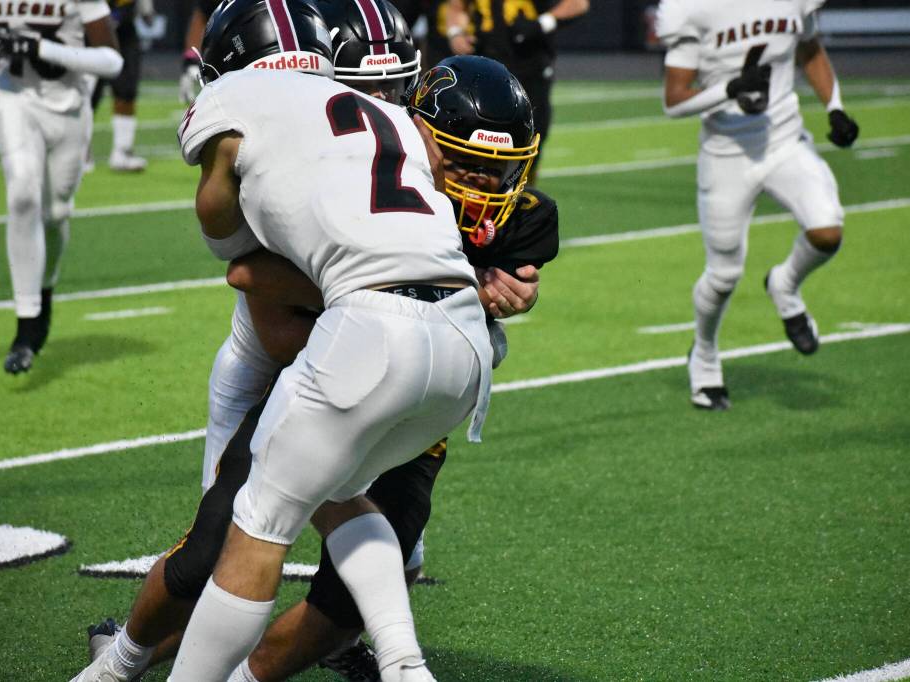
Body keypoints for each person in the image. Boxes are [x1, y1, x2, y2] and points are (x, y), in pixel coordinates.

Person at [69, 54, 556, 682]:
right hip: (437, 358)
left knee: (263, 528)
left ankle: (131, 671)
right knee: (274, 524)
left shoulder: (275, 116)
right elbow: (250, 282)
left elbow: (218, 222)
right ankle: (402, 665)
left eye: (497, 171)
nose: (483, 186)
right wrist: (464, 283)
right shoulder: (351, 147)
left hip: (366, 352)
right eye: (463, 163)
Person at [656, 0, 859, 411]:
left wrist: (835, 107)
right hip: (726, 152)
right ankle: (706, 357)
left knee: (827, 228)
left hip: (784, 138)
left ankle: (785, 285)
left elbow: (810, 48)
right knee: (724, 275)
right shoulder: (694, 8)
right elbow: (674, 99)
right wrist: (727, 90)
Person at [0, 0, 124, 374]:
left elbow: (112, 61)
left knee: (55, 214)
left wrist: (39, 48)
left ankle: (45, 287)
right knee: (22, 194)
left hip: (69, 106)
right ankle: (25, 326)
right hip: (12, 95)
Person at [443, 0, 588, 171]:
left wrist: (542, 23)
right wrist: (456, 33)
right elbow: (457, 6)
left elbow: (578, 3)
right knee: (472, 139)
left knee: (528, 143)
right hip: (484, 67)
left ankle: (521, 192)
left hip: (529, 66)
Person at [89, 0, 154, 172]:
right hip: (90, 28)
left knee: (127, 90)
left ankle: (122, 152)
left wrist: (146, 8)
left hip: (124, 30)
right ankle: (79, 151)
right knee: (87, 92)